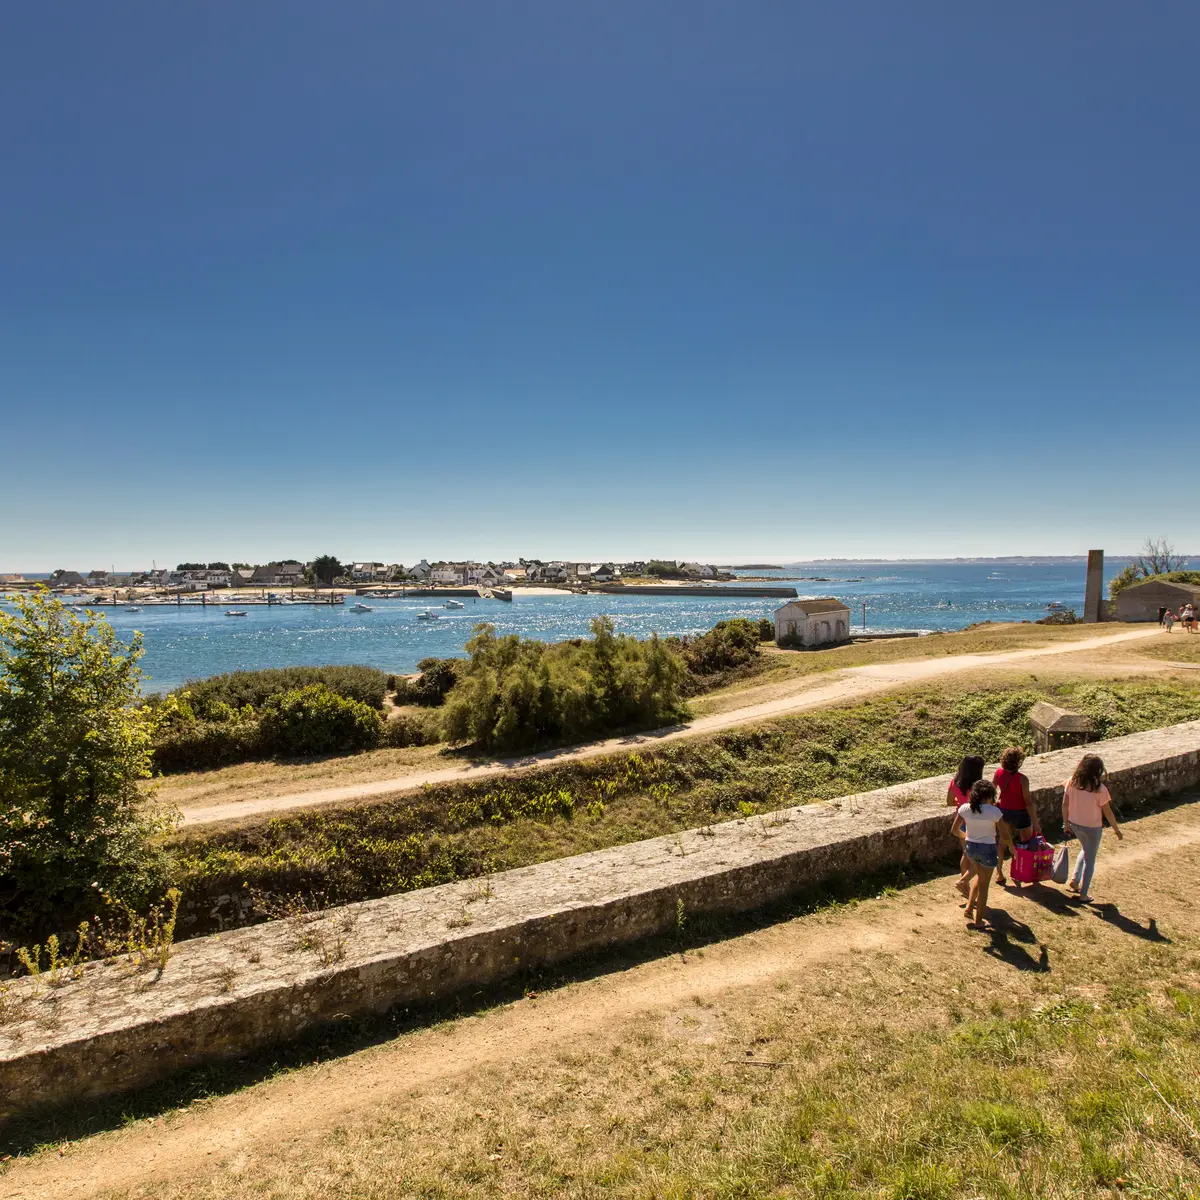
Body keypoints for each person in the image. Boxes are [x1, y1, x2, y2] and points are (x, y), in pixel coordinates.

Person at [1062, 753, 1123, 903]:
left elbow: (1065, 805)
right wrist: (1116, 829)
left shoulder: (1071, 782)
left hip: (1075, 824)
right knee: (1090, 861)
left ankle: (1075, 880)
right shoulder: (1099, 789)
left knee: (1085, 849)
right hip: (1092, 828)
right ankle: (1083, 894)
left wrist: (1066, 824)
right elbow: (1107, 812)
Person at [951, 779, 1010, 928]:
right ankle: (978, 921)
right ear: (990, 795)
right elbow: (1005, 834)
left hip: (971, 848)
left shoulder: (965, 808)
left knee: (979, 876)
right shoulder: (994, 811)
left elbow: (955, 830)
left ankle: (969, 907)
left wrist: (967, 836)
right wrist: (1013, 848)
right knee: (984, 886)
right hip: (987, 849)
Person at [993, 747, 1040, 885]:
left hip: (1004, 811)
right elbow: (1028, 802)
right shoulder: (1023, 779)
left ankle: (999, 872)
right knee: (1026, 843)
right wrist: (1035, 822)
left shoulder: (998, 773)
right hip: (1021, 813)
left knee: (1002, 843)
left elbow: (992, 790)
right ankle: (1020, 871)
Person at [946, 755, 985, 896]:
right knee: (980, 856)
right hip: (976, 822)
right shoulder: (979, 786)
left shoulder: (955, 782)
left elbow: (949, 801)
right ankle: (965, 881)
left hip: (961, 820)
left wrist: (961, 803)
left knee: (966, 853)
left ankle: (965, 885)